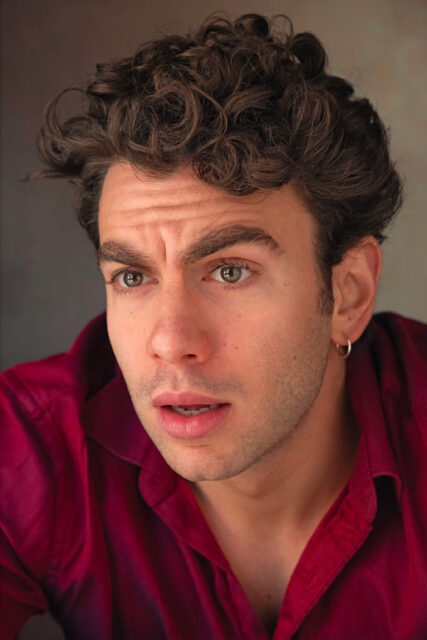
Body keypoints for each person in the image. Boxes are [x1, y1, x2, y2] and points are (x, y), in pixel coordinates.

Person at [1, 12, 426, 640]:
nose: (170, 343)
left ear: (348, 292)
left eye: (230, 272)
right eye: (133, 277)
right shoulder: (34, 447)